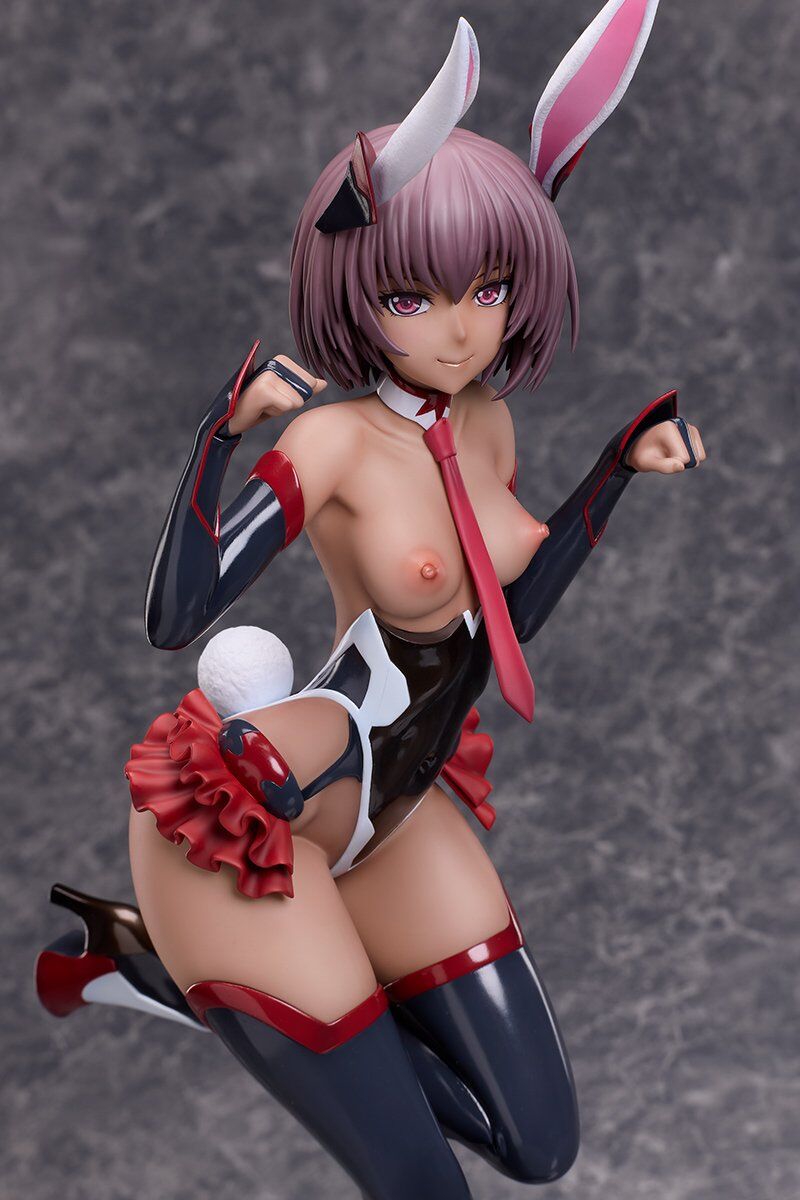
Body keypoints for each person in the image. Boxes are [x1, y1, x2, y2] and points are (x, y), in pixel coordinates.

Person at [35, 7, 706, 1197]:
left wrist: (615, 469)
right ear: (355, 285)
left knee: (535, 1146)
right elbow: (177, 615)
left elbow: (506, 617)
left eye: (488, 287)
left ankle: (147, 967)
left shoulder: (484, 424)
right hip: (243, 821)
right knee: (420, 1186)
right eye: (413, 297)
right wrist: (217, 440)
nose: (459, 328)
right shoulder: (333, 443)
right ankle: (176, 955)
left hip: (399, 801)